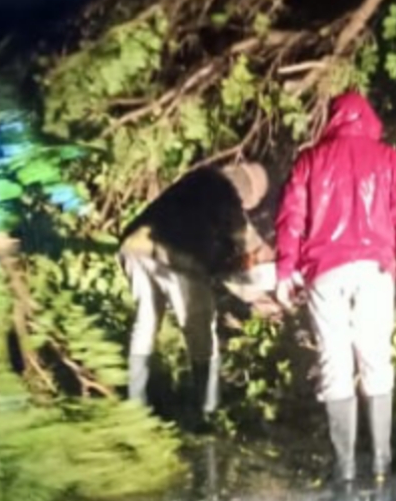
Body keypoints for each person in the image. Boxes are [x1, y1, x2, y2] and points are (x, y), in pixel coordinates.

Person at [274, 91, 396, 485]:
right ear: (369, 118)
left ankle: (343, 467)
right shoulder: (389, 159)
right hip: (375, 270)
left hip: (324, 271)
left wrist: (284, 270)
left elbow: (292, 218)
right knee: (376, 360)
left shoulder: (310, 160)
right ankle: (381, 464)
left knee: (335, 363)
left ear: (332, 119)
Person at [117, 161, 279, 420]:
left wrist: (251, 294)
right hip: (176, 254)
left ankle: (136, 401)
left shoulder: (200, 179)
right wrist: (275, 274)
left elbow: (221, 265)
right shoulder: (227, 197)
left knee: (145, 322)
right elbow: (248, 251)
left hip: (135, 244)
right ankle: (207, 409)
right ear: (250, 193)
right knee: (200, 330)